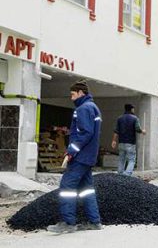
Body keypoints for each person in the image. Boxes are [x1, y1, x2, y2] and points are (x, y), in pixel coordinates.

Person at [47, 80, 102, 233]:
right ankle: (94, 221)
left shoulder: (83, 109)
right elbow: (90, 132)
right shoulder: (93, 107)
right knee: (86, 189)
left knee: (67, 186)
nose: (71, 98)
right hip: (88, 156)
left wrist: (71, 150)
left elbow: (85, 132)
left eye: (73, 94)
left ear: (80, 93)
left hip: (80, 157)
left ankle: (68, 223)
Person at [111, 104, 146, 176]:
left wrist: (114, 141)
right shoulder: (134, 118)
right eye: (133, 109)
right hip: (130, 143)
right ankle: (127, 174)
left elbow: (116, 131)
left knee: (121, 159)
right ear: (131, 109)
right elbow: (137, 129)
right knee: (131, 159)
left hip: (121, 142)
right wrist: (143, 131)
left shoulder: (119, 118)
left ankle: (120, 174)